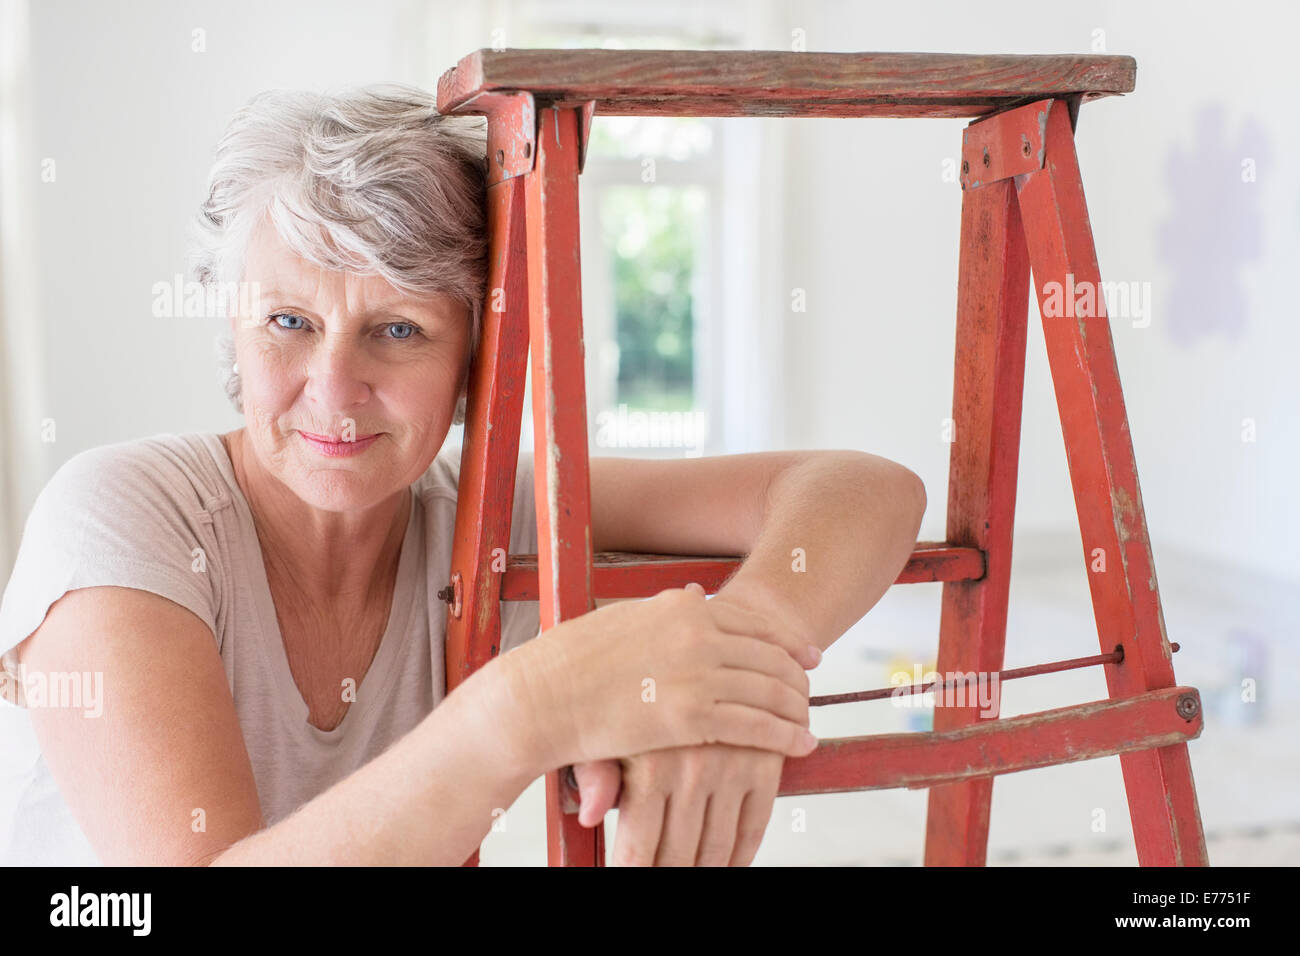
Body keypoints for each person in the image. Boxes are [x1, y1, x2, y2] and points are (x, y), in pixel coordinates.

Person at [0, 84, 926, 866]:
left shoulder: (483, 518)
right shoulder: (123, 512)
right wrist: (525, 709)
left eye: (398, 330)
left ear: (476, 366)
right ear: (233, 333)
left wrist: (745, 644)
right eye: (289, 322)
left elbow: (861, 487)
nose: (334, 390)